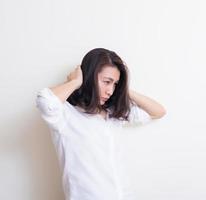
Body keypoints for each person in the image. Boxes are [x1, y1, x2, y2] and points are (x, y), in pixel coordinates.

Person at [35, 48, 166, 200]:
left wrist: (123, 90)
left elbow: (158, 111)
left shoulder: (114, 113)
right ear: (89, 77)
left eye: (115, 84)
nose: (110, 91)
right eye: (106, 82)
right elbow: (45, 101)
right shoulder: (66, 114)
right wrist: (75, 82)